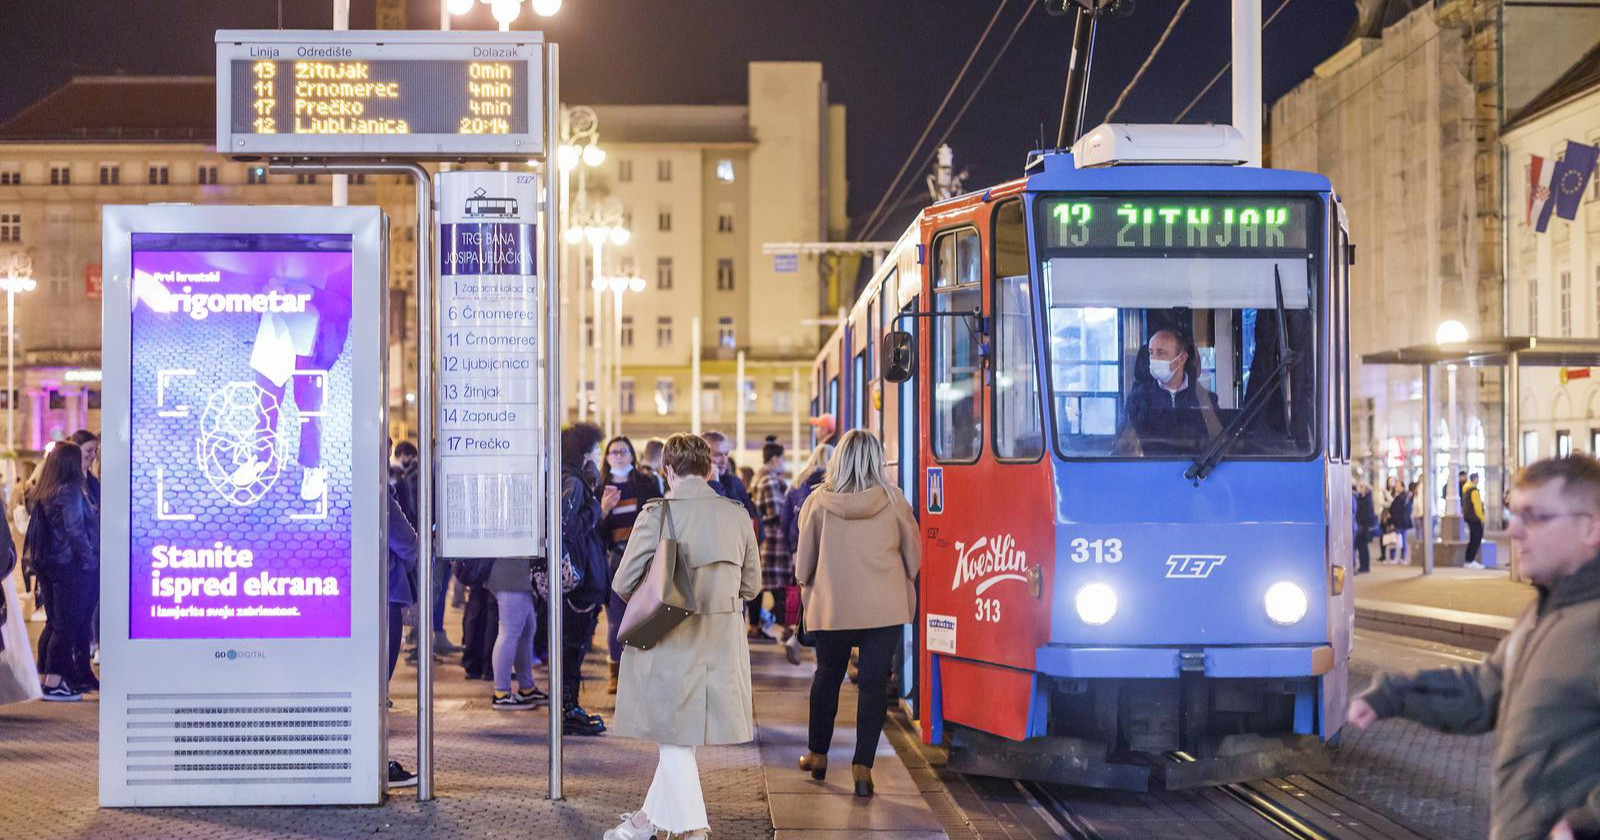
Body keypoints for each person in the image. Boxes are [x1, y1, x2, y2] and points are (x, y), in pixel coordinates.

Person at [1349, 455, 1600, 840]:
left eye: (1534, 517)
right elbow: (1485, 688)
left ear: (1590, 528)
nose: (1514, 532)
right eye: (1514, 515)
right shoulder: (1544, 612)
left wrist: (1583, 826)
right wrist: (1393, 695)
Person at [605, 432, 761, 840]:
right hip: (721, 645)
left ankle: (695, 831)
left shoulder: (656, 514)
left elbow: (623, 582)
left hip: (670, 638)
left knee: (673, 739)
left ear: (668, 471)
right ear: (709, 469)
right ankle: (641, 825)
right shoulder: (737, 514)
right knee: (681, 740)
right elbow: (751, 587)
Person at [794, 429, 921, 798]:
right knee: (872, 686)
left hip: (832, 607)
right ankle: (862, 768)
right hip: (884, 609)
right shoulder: (894, 500)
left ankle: (818, 755)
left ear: (840, 459)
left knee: (828, 677)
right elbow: (913, 559)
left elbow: (804, 565)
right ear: (876, 459)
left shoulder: (818, 502)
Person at [28, 442, 98, 701]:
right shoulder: (70, 490)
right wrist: (89, 559)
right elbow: (75, 529)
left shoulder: (47, 489)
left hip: (50, 564)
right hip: (70, 565)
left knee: (56, 623)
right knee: (66, 625)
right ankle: (55, 683)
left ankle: (47, 680)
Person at [554, 423, 611, 737]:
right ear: (586, 451)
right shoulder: (572, 482)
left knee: (573, 646)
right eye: (597, 449)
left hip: (583, 579)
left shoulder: (574, 479)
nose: (600, 455)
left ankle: (568, 705)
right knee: (573, 646)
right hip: (578, 582)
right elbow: (568, 528)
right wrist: (598, 511)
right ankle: (567, 708)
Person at [598, 435, 662, 694]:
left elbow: (658, 516)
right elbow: (596, 530)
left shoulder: (645, 483)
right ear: (607, 457)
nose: (619, 456)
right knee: (616, 618)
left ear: (632, 456)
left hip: (643, 557)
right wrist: (603, 509)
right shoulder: (601, 486)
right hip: (614, 558)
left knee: (644, 616)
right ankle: (616, 671)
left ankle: (642, 671)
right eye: (614, 453)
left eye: (624, 452)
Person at [1118, 329, 1222, 456]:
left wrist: (1204, 401)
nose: (1154, 359)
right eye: (1151, 353)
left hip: (1196, 470)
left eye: (1161, 353)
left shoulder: (1206, 399)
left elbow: (1219, 443)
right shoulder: (1138, 398)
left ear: (1182, 358)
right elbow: (1123, 449)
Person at [383, 463, 421, 788]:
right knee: (379, 681)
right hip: (384, 593)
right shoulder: (380, 493)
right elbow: (408, 543)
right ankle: (378, 759)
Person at [781, 443, 833, 665]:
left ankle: (797, 636)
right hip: (825, 549)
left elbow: (785, 520)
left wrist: (792, 546)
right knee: (824, 597)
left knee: (806, 594)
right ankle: (817, 649)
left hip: (798, 547)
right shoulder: (831, 485)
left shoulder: (797, 483)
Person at [750, 440, 792, 644]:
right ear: (775, 458)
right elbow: (778, 512)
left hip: (763, 539)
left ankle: (758, 624)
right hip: (773, 541)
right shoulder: (770, 480)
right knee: (775, 586)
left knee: (761, 585)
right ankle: (775, 627)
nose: (784, 463)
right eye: (783, 458)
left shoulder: (760, 477)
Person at [702, 430, 757, 519]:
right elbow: (714, 515)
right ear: (703, 456)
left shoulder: (735, 483)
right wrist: (713, 482)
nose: (724, 461)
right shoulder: (694, 484)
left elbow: (750, 519)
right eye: (718, 455)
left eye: (726, 454)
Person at [68, 430, 100, 510]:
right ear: (75, 450)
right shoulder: (65, 481)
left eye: (95, 451)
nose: (93, 455)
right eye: (89, 451)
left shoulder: (93, 480)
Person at [1385, 478, 1413, 564]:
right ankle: (1400, 557)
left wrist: (1393, 521)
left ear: (1402, 487)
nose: (1396, 487)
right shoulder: (1401, 496)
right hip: (1400, 521)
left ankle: (1399, 558)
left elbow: (1397, 511)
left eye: (1398, 486)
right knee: (1398, 539)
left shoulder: (1402, 497)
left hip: (1399, 522)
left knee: (1398, 539)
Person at [1463, 471, 1486, 569]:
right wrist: (1482, 518)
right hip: (1475, 518)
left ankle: (1468, 560)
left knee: (1473, 538)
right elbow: (1477, 507)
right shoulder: (1474, 491)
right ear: (1475, 480)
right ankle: (1470, 560)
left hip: (1469, 517)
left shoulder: (1466, 489)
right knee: (1476, 538)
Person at [1353, 482, 1377, 574]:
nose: (1360, 488)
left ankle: (1365, 567)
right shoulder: (1362, 498)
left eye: (1362, 487)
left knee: (1363, 547)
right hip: (1361, 526)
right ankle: (1363, 566)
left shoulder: (1367, 500)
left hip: (1363, 527)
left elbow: (1366, 515)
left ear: (1366, 489)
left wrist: (1363, 525)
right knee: (1362, 547)